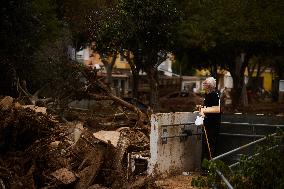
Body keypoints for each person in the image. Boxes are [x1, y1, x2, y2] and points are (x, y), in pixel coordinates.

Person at [198, 77, 221, 161]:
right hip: (208, 125)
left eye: (205, 83)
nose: (203, 84)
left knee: (209, 147)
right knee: (206, 147)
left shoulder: (214, 95)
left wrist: (204, 109)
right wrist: (203, 108)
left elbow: (217, 109)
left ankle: (209, 167)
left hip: (212, 126)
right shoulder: (207, 95)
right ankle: (205, 167)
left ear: (210, 85)